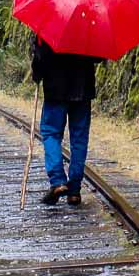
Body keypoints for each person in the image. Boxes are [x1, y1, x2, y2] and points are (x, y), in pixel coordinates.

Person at [31, 34, 103, 206]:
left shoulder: (49, 27)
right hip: (82, 90)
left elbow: (40, 59)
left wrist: (37, 73)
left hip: (55, 91)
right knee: (79, 139)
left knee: (50, 133)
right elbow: (98, 57)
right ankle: (74, 191)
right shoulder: (89, 26)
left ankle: (58, 181)